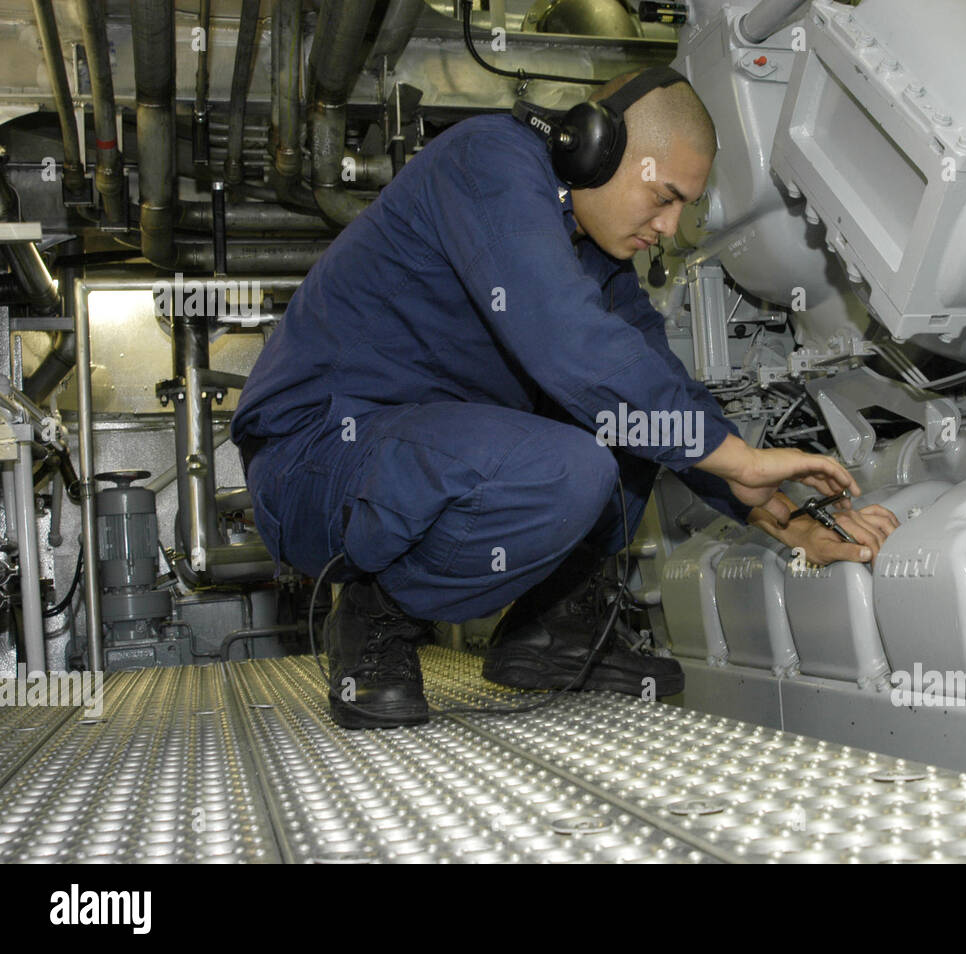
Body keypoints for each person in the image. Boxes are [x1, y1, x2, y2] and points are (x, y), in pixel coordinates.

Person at [231, 66, 899, 730]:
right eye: (663, 197)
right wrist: (743, 462)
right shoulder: (487, 161)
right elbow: (568, 343)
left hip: (416, 459)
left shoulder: (597, 260)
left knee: (633, 406)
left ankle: (554, 626)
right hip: (316, 457)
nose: (668, 226)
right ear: (594, 147)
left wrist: (789, 521)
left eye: (683, 210)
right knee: (574, 458)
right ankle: (376, 612)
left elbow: (661, 388)